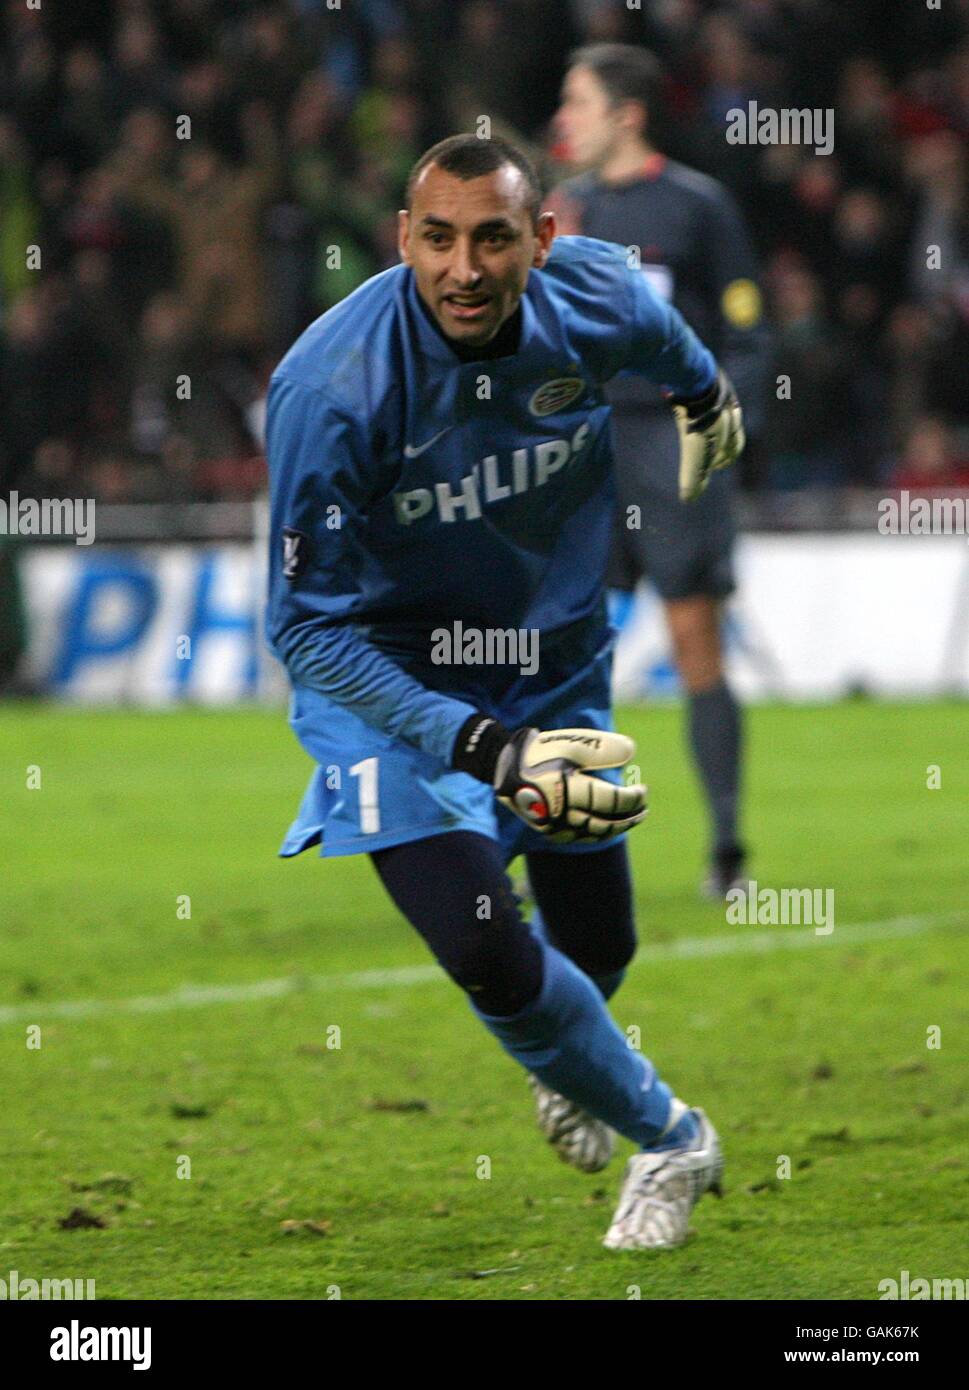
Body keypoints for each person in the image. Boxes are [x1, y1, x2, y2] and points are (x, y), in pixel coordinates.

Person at [264, 134, 742, 1249]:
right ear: (403, 241)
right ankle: (676, 1136)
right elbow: (304, 628)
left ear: (543, 240)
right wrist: (478, 746)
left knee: (600, 946)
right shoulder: (331, 389)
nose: (464, 269)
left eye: (491, 238)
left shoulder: (595, 294)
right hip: (389, 687)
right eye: (437, 239)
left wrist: (707, 394)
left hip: (551, 661)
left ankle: (581, 1059)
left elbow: (662, 335)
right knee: (483, 943)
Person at [550, 44, 770, 896]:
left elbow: (748, 330)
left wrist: (717, 425)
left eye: (578, 102)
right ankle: (573, 846)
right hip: (586, 452)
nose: (565, 119)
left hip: (672, 452)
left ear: (625, 113)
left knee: (692, 639)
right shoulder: (563, 213)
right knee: (569, 651)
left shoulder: (696, 206)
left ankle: (725, 850)